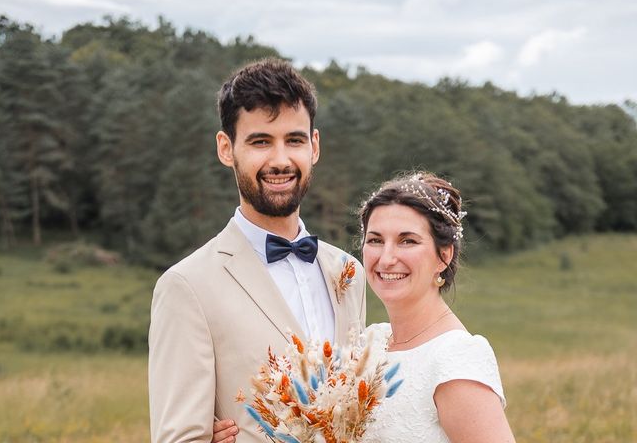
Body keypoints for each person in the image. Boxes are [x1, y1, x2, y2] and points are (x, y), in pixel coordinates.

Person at [148, 58, 366, 443]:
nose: (280, 160)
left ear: (314, 146)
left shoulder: (348, 272)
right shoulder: (186, 286)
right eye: (261, 141)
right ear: (226, 148)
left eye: (294, 140)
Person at [213, 171, 515, 443]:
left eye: (407, 241)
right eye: (375, 240)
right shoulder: (369, 344)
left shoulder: (455, 359)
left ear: (443, 256)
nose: (386, 258)